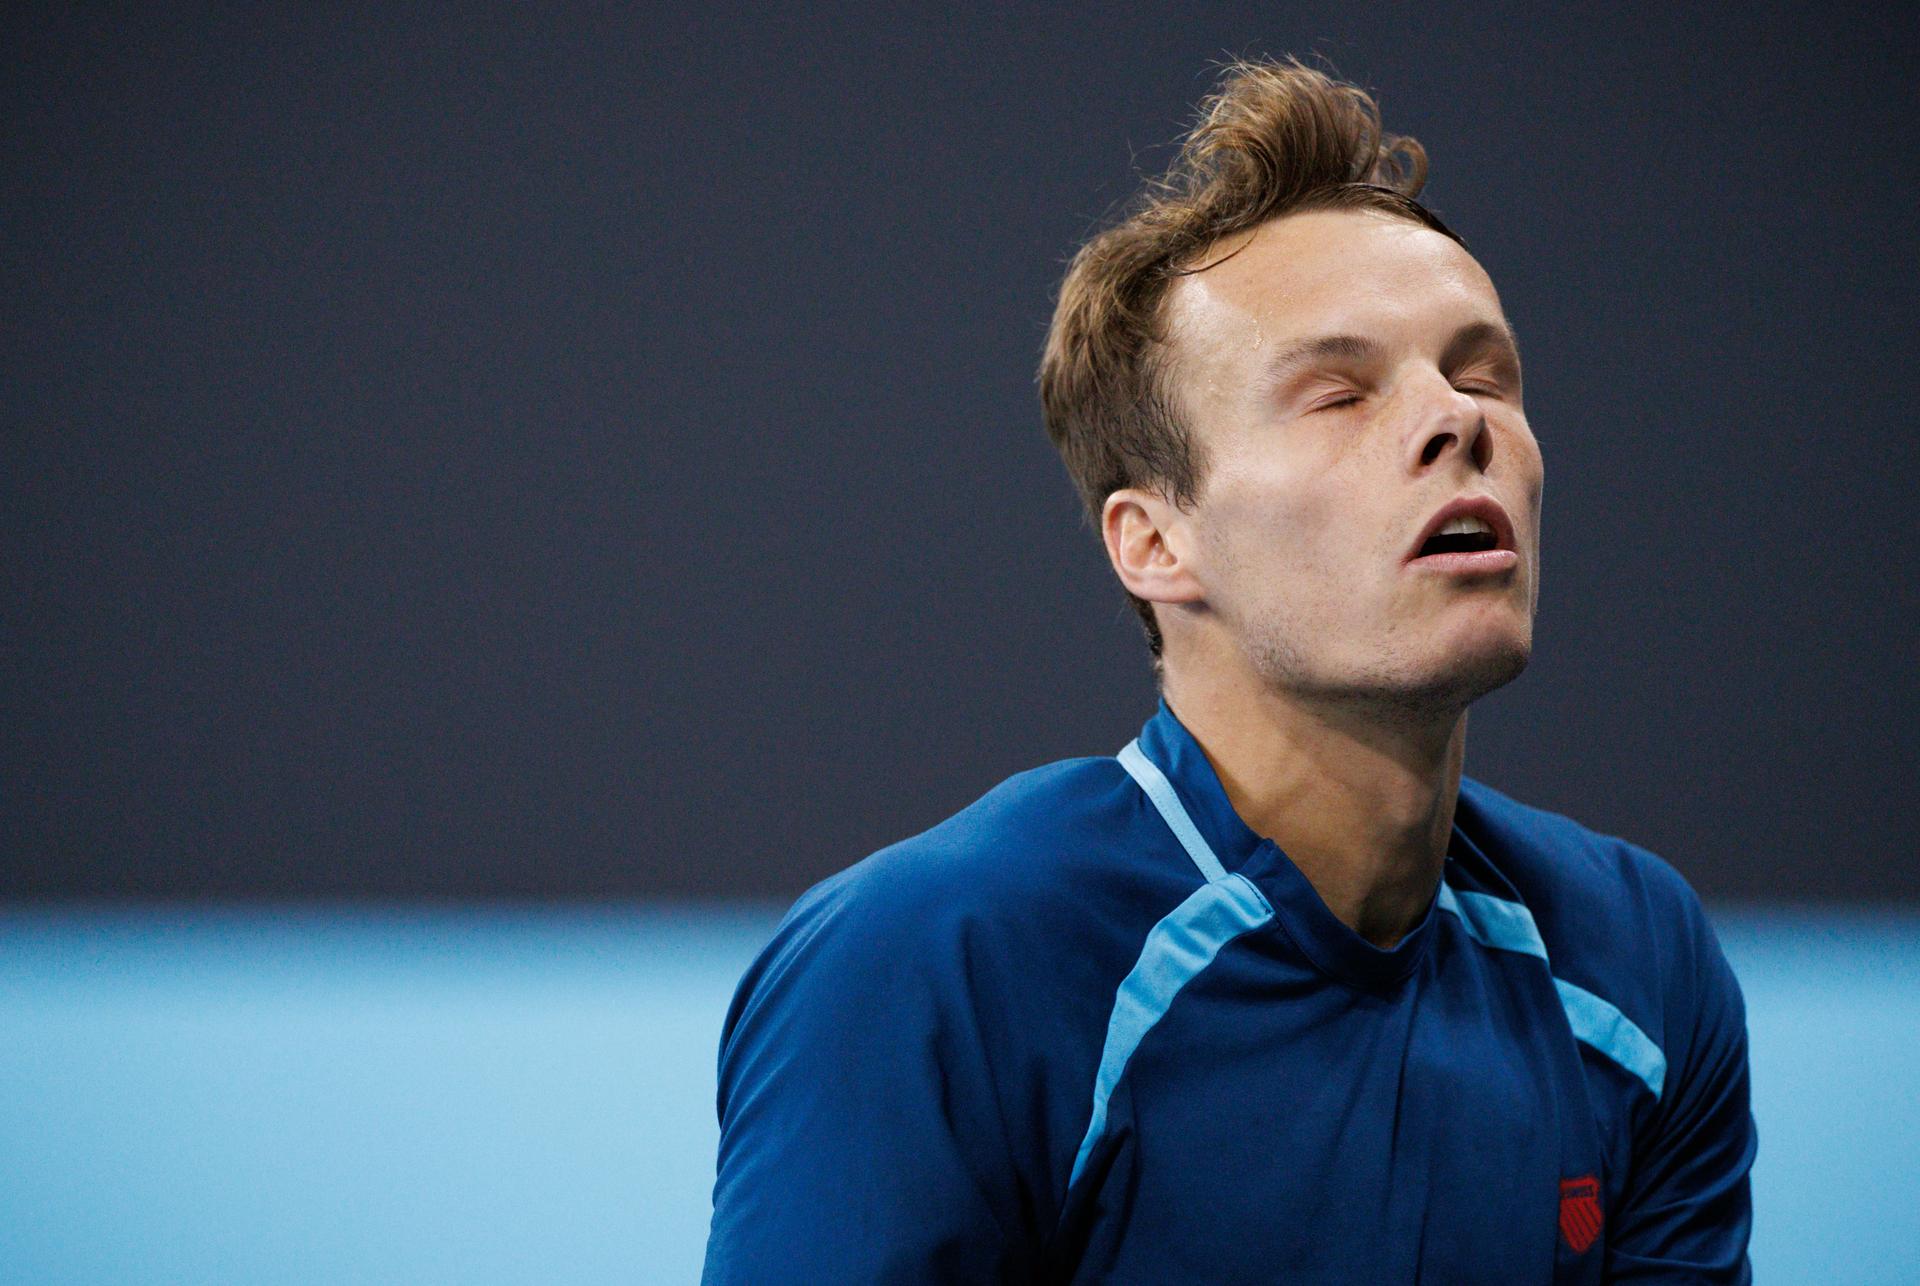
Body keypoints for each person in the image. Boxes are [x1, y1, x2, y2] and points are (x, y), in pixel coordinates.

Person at [702, 56, 1755, 1284]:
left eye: (1480, 372)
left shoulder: (1641, 964)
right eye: (1339, 393)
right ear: (1155, 542)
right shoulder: (929, 967)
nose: (1456, 420)